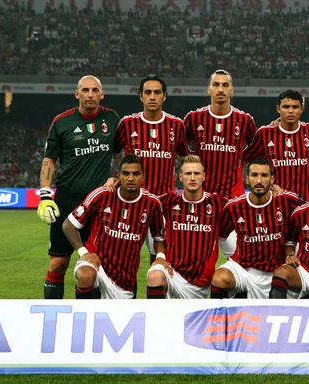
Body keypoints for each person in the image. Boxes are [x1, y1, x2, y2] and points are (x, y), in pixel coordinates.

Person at [37, 75, 120, 299]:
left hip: (99, 203)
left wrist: (117, 177)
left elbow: (126, 152)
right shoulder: (61, 122)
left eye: (95, 90)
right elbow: (49, 160)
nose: (90, 94)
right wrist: (45, 195)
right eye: (85, 90)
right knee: (58, 262)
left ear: (102, 94)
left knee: (96, 264)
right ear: (77, 94)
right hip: (67, 199)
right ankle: (52, 316)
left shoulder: (112, 119)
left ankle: (89, 319)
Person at [62, 154, 165, 299]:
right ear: (118, 175)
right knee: (86, 275)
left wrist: (160, 256)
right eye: (126, 173)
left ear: (143, 176)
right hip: (96, 263)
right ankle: (85, 319)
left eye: (135, 174)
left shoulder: (152, 203)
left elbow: (159, 237)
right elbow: (68, 225)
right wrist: (84, 252)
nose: (130, 178)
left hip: (124, 277)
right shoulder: (102, 195)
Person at [114, 75, 188, 263]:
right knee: (123, 256)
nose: (152, 97)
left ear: (164, 96)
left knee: (160, 257)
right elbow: (113, 154)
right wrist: (111, 177)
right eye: (148, 92)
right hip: (131, 202)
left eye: (157, 92)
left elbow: (185, 158)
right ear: (141, 96)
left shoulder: (176, 125)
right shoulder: (127, 124)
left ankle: (158, 292)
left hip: (164, 203)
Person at [210, 158, 305, 299]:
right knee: (219, 278)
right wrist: (232, 256)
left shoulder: (287, 201)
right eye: (254, 175)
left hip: (278, 270)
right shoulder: (234, 207)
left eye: (264, 175)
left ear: (272, 179)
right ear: (247, 179)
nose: (259, 180)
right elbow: (222, 236)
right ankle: (222, 319)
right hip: (244, 269)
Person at [146, 155, 228, 299]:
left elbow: (246, 208)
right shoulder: (169, 201)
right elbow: (140, 202)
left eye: (196, 173)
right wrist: (116, 183)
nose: (192, 178)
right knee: (155, 275)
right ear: (180, 176)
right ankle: (158, 320)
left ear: (204, 176)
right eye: (188, 173)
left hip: (200, 281)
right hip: (172, 272)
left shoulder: (217, 203)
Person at [243, 89, 309, 201]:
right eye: (286, 107)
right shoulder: (264, 134)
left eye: (295, 107)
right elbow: (245, 161)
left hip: (305, 202)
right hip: (274, 202)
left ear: (302, 109)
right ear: (278, 108)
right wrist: (267, 184)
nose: (290, 111)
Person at [183, 69, 257, 199]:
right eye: (216, 85)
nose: (221, 89)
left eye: (225, 85)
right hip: (202, 194)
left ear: (231, 90)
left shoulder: (245, 120)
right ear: (209, 89)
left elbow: (258, 150)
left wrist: (241, 159)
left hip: (233, 196)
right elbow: (181, 149)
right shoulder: (194, 118)